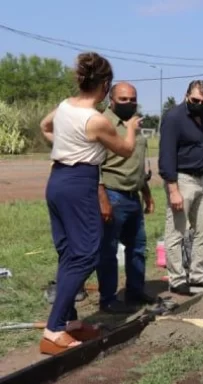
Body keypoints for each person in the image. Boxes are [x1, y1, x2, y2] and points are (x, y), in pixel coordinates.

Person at [38, 52, 139, 355]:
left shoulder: (65, 106)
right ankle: (54, 330)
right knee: (85, 254)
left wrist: (64, 145)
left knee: (69, 251)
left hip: (57, 181)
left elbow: (45, 126)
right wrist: (132, 126)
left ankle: (69, 322)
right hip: (80, 184)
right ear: (106, 85)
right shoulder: (95, 120)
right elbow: (124, 150)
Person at [96, 82, 156, 314]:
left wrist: (147, 193)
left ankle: (135, 291)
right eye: (123, 99)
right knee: (108, 251)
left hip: (133, 196)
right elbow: (95, 166)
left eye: (132, 99)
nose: (129, 103)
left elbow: (137, 164)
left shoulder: (135, 125)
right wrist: (103, 200)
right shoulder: (103, 124)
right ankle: (108, 298)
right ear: (111, 100)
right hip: (112, 194)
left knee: (138, 247)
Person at [158, 80, 203, 295]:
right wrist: (173, 189)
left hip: (201, 179)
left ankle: (198, 275)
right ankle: (177, 278)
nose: (199, 104)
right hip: (181, 180)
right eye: (195, 100)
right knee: (177, 231)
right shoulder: (174, 118)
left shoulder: (202, 117)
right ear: (186, 96)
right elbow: (166, 155)